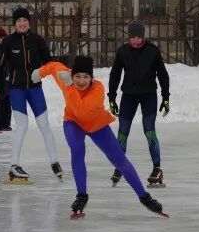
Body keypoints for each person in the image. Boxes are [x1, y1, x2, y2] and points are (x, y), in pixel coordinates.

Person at [33, 57, 164, 217]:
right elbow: (53, 66)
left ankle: (144, 197)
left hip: (96, 125)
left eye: (86, 77)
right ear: (72, 74)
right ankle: (81, 195)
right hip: (73, 122)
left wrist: (70, 85)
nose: (81, 81)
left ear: (91, 78)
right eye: (78, 76)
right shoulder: (65, 76)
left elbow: (82, 109)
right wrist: (39, 72)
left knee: (119, 160)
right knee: (77, 150)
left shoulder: (97, 89)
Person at [0, 6, 62, 183]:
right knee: (22, 125)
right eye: (19, 21)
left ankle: (55, 161)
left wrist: (60, 74)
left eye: (24, 20)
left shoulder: (37, 40)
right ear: (15, 23)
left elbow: (49, 63)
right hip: (16, 89)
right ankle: (14, 165)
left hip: (35, 87)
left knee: (44, 124)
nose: (22, 23)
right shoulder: (8, 41)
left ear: (29, 22)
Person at [107, 20, 170, 188]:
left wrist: (166, 97)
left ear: (143, 37)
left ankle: (157, 168)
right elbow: (115, 75)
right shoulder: (123, 52)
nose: (135, 40)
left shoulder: (152, 52)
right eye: (132, 37)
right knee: (122, 132)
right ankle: (120, 165)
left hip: (149, 95)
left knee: (149, 130)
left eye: (138, 37)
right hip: (129, 95)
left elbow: (163, 75)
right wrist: (111, 97)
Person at [0, 27, 12, 132]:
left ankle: (6, 123)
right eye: (0, 38)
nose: (2, 39)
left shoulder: (9, 48)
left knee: (7, 103)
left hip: (8, 78)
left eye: (4, 37)